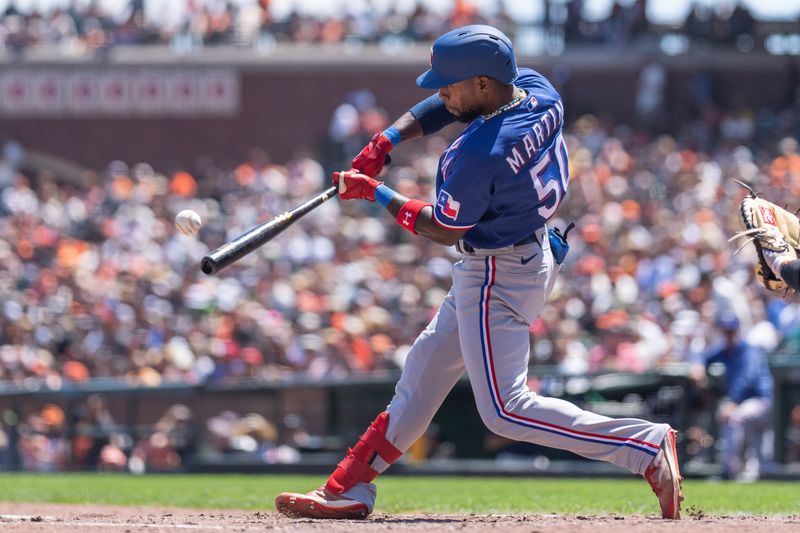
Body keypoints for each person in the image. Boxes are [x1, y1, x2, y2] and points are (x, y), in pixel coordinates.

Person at [275, 25, 682, 520]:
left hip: (497, 270)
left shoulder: (477, 153)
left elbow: (445, 227)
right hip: (526, 252)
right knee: (423, 372)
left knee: (505, 410)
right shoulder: (537, 89)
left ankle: (645, 446)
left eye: (450, 82)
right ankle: (348, 487)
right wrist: (389, 136)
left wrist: (373, 192)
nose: (439, 91)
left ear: (485, 84)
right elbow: (451, 108)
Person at [690, 311, 773, 480]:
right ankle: (740, 469)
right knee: (746, 431)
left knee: (734, 418)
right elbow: (703, 357)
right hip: (744, 403)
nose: (729, 335)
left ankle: (730, 470)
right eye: (726, 332)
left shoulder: (749, 350)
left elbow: (747, 378)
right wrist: (697, 365)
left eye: (732, 331)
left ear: (738, 331)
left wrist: (733, 402)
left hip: (760, 401)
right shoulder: (725, 350)